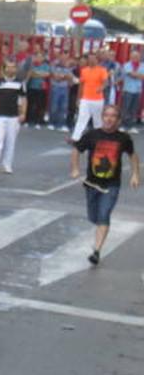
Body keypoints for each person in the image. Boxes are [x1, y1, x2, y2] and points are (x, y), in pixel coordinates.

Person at [70, 103, 140, 266]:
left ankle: (96, 251)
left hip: (111, 185)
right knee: (93, 216)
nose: (109, 119)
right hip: (91, 184)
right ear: (102, 117)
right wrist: (75, 168)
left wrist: (136, 174)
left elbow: (132, 155)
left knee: (104, 215)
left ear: (118, 120)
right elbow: (76, 150)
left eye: (113, 116)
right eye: (106, 115)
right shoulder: (92, 135)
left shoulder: (123, 138)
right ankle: (99, 232)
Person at [0, 61, 26, 174]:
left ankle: (7, 165)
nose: (10, 69)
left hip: (13, 116)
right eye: (8, 67)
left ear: (16, 69)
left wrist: (23, 113)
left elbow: (24, 98)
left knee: (10, 141)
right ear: (4, 69)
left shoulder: (20, 83)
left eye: (13, 67)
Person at [71, 53, 109, 143]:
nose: (91, 61)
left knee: (97, 120)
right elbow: (81, 84)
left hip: (97, 99)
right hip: (85, 99)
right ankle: (75, 138)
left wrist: (101, 88)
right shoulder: (84, 70)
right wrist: (78, 98)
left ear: (97, 60)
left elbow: (105, 82)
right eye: (89, 59)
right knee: (81, 118)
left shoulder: (102, 70)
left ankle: (99, 139)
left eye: (93, 59)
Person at [119, 48, 143, 132]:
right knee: (125, 108)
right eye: (134, 56)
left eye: (137, 56)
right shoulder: (127, 65)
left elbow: (141, 77)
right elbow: (132, 74)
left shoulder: (142, 65)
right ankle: (123, 125)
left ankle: (131, 126)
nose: (136, 57)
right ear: (130, 57)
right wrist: (138, 75)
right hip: (128, 90)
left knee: (134, 109)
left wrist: (137, 75)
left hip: (137, 91)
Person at [49, 55, 74, 132]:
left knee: (63, 107)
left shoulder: (68, 68)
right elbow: (56, 77)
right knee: (54, 106)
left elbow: (70, 78)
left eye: (65, 59)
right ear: (59, 59)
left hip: (65, 89)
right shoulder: (54, 66)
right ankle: (52, 123)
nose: (63, 61)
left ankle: (61, 124)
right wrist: (65, 77)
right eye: (62, 59)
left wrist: (64, 77)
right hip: (56, 88)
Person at [25, 51, 50, 129]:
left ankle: (38, 121)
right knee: (30, 104)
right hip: (31, 87)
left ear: (43, 58)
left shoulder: (46, 66)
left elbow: (47, 74)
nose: (39, 58)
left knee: (39, 106)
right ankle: (28, 120)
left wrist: (36, 73)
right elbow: (30, 74)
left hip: (41, 88)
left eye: (40, 57)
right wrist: (39, 74)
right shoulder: (32, 65)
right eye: (37, 56)